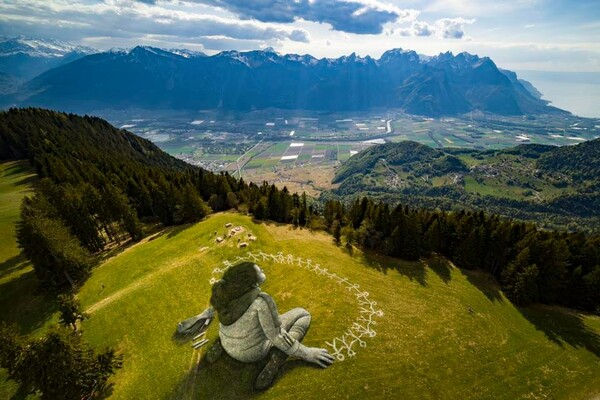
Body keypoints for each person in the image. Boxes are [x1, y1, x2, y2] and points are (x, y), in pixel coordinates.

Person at [206, 262, 334, 390]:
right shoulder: (262, 301)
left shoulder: (222, 293)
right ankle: (278, 359)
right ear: (253, 284)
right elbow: (277, 336)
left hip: (227, 345)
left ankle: (220, 346)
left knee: (243, 325)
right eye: (260, 271)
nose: (262, 269)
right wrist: (307, 353)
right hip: (252, 354)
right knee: (303, 314)